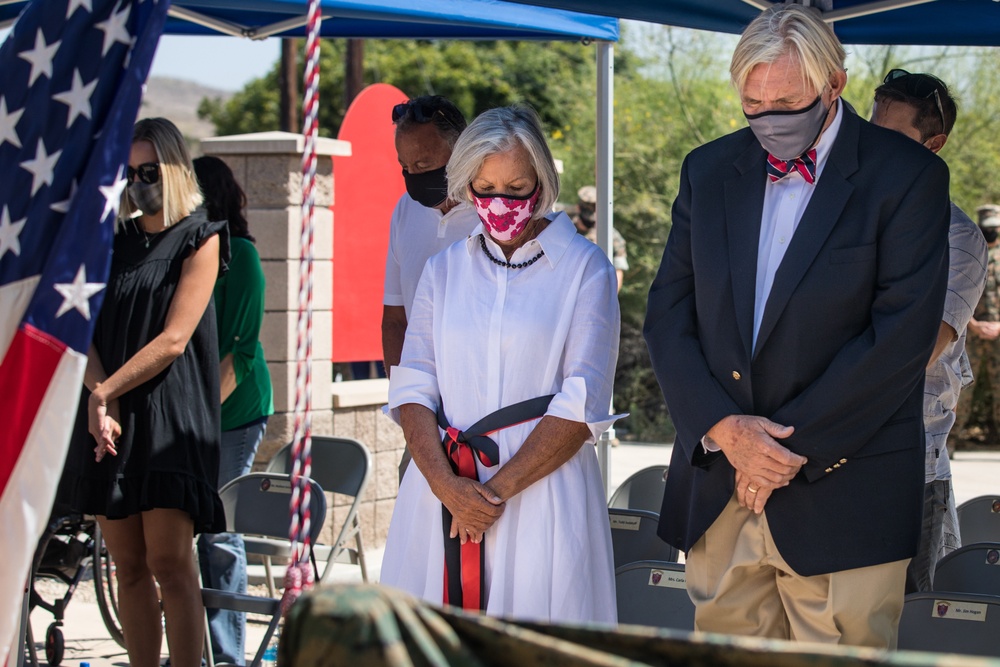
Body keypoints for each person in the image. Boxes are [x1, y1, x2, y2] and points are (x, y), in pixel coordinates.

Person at [644, 5, 950, 648]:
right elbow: (668, 315)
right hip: (720, 484)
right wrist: (726, 432)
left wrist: (775, 454)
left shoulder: (908, 177)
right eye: (752, 102)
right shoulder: (707, 170)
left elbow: (898, 340)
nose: (768, 118)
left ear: (834, 83)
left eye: (787, 100)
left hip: (844, 489)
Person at [380, 106, 621, 624]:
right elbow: (413, 385)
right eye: (485, 188)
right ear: (466, 184)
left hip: (540, 496)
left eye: (516, 187)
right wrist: (448, 488)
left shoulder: (586, 270)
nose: (500, 203)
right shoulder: (444, 271)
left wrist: (488, 496)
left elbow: (582, 405)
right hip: (440, 493)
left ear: (542, 181)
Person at [70, 118, 229, 667]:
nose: (139, 182)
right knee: (128, 567)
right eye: (130, 172)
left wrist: (104, 391)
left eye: (149, 170)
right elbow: (81, 329)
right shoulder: (110, 245)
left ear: (176, 168)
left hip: (167, 415)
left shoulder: (202, 236)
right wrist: (101, 398)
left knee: (169, 563)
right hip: (107, 416)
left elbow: (175, 338)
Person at [871, 70, 988, 593]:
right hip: (828, 465)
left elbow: (912, 353)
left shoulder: (958, 240)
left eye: (891, 139)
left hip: (909, 469)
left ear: (933, 144)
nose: (873, 151)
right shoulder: (845, 218)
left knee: (909, 626)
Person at [193, 155, 275, 665]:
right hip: (191, 415)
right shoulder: (178, 255)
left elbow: (241, 352)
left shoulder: (239, 255)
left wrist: (196, 415)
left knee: (220, 533)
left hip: (234, 412)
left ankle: (227, 656)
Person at [381, 95, 481, 375]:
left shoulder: (499, 212)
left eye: (423, 166)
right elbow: (395, 318)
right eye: (405, 167)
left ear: (461, 148)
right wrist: (402, 396)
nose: (413, 176)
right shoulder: (405, 210)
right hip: (424, 397)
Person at [953, 204, 1000, 448]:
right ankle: (949, 443)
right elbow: (955, 292)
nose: (990, 232)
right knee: (960, 387)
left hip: (999, 334)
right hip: (969, 332)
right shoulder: (966, 251)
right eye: (986, 228)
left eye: (994, 228)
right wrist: (973, 324)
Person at [573, 185, 628, 292]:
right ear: (579, 207)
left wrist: (607, 300)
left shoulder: (611, 235)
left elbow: (618, 272)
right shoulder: (567, 230)